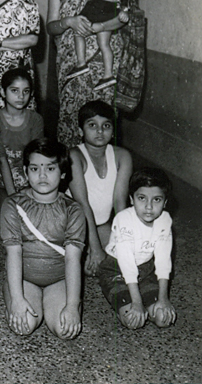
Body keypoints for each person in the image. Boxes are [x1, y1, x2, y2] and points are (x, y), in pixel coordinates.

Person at [47, 0, 140, 147]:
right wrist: (69, 22)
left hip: (104, 65)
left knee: (102, 122)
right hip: (72, 66)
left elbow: (125, 17)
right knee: (72, 118)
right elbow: (51, 27)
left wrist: (100, 26)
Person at [0, 138, 85, 339]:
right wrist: (17, 299)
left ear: (63, 173)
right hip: (25, 278)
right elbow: (14, 253)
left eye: (50, 168)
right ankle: (14, 293)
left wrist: (72, 305)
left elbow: (73, 259)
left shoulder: (73, 210)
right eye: (34, 169)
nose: (42, 175)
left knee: (65, 330)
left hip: (59, 280)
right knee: (24, 326)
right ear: (26, 172)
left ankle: (52, 301)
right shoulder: (12, 205)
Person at [98, 168, 176, 330]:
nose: (149, 206)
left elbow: (163, 261)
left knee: (163, 319)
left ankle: (147, 303)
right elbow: (127, 264)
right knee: (134, 321)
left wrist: (163, 299)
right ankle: (127, 301)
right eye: (142, 198)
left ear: (165, 202)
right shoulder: (123, 220)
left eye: (156, 199)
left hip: (145, 270)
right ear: (131, 199)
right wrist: (137, 302)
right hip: (116, 270)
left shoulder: (165, 220)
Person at [67, 100, 132, 275]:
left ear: (113, 131)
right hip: (74, 225)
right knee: (89, 268)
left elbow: (119, 202)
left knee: (126, 259)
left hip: (101, 225)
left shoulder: (122, 156)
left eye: (106, 126)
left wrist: (124, 240)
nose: (100, 131)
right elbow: (82, 203)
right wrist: (95, 249)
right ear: (80, 130)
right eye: (92, 125)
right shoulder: (74, 156)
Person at [0, 68, 44, 216]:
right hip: (0, 184)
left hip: (29, 181)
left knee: (38, 212)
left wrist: (33, 190)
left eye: (26, 91)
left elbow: (37, 159)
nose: (21, 96)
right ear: (3, 92)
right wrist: (14, 198)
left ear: (31, 93)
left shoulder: (35, 119)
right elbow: (2, 159)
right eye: (14, 90)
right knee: (12, 212)